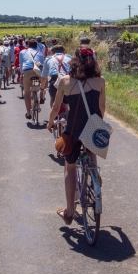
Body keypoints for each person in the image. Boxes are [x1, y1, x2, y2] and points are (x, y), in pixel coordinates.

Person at [47, 48, 106, 224]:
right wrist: (97, 125)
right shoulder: (100, 80)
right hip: (94, 126)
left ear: (74, 61)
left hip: (73, 129)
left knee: (70, 166)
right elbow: (102, 107)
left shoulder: (65, 81)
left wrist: (50, 123)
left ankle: (70, 212)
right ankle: (94, 173)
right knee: (91, 150)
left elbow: (56, 108)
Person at [19, 39, 46, 119]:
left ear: (28, 45)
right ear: (36, 46)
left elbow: (21, 64)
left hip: (27, 72)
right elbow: (42, 66)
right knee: (41, 84)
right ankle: (42, 94)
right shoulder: (40, 54)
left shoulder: (23, 52)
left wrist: (21, 74)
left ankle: (28, 113)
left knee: (27, 93)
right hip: (38, 72)